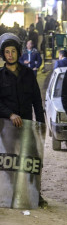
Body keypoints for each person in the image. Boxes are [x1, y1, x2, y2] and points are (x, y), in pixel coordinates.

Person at [0, 33, 46, 207]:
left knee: (31, 161)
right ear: (3, 54)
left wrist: (41, 125)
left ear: (18, 53)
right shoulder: (0, 76)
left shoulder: (28, 74)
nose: (10, 55)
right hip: (6, 129)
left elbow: (36, 100)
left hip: (27, 127)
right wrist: (10, 114)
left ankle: (35, 194)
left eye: (13, 51)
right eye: (7, 52)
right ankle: (7, 194)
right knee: (8, 162)